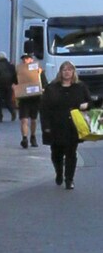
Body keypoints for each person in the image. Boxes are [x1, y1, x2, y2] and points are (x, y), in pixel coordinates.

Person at [40, 60, 89, 191]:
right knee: (56, 153)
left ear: (73, 72)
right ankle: (59, 172)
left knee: (71, 153)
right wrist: (46, 126)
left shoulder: (80, 87)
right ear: (60, 72)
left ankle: (69, 179)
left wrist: (87, 106)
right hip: (55, 125)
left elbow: (89, 102)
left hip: (73, 126)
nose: (67, 72)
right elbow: (44, 109)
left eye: (69, 70)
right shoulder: (52, 88)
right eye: (64, 70)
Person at [15, 50, 44, 149]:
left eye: (27, 58)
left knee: (33, 120)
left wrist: (42, 85)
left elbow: (44, 83)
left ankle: (33, 136)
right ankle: (24, 138)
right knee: (24, 119)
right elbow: (14, 82)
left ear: (31, 60)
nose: (25, 60)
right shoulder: (19, 71)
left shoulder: (38, 70)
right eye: (24, 59)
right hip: (24, 99)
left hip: (35, 98)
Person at [0, 52, 17, 123]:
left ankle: (0, 117)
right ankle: (13, 112)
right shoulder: (11, 66)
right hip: (9, 86)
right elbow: (15, 75)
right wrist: (15, 83)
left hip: (0, 87)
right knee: (8, 101)